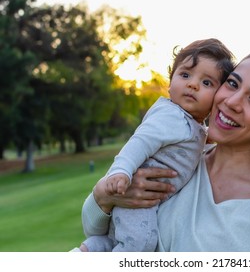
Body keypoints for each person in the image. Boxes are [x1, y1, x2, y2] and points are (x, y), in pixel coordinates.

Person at [81, 45, 250, 252]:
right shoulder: (175, 161)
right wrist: (104, 196)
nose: (231, 102)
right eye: (232, 84)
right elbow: (98, 231)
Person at [72, 38, 235, 252]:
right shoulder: (171, 116)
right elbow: (140, 142)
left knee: (121, 240)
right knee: (142, 244)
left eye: (207, 83)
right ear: (170, 83)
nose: (193, 84)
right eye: (185, 75)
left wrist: (206, 137)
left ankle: (92, 250)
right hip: (137, 196)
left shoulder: (191, 125)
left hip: (149, 205)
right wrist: (121, 172)